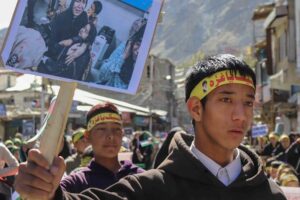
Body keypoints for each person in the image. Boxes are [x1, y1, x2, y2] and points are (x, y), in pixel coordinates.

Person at [14, 54, 287, 200]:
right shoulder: (152, 190)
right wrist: (49, 194)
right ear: (195, 108)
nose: (241, 115)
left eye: (248, 103)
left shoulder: (269, 193)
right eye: (226, 99)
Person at [60, 102, 144, 193]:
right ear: (88, 136)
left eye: (116, 129)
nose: (111, 136)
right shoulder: (76, 183)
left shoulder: (141, 178)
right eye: (102, 129)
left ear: (122, 134)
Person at [97, 19, 147, 89]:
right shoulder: (126, 46)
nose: (138, 50)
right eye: (138, 44)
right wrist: (123, 57)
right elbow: (102, 76)